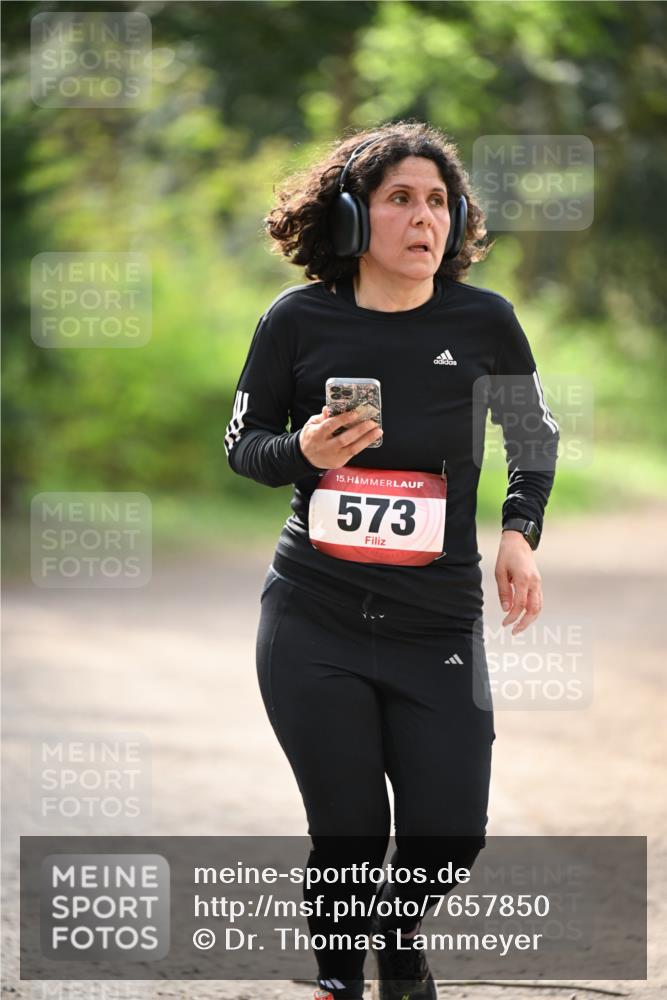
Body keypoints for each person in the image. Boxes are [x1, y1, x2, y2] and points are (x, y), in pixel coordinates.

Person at [224, 121, 559, 1000]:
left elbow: (532, 438)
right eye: (399, 199)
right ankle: (340, 979)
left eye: (437, 202)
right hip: (313, 614)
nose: (424, 220)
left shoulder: (484, 322)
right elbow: (242, 447)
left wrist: (517, 531)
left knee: (451, 831)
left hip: (435, 622)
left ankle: (395, 936)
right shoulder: (296, 320)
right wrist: (303, 449)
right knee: (348, 826)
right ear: (351, 218)